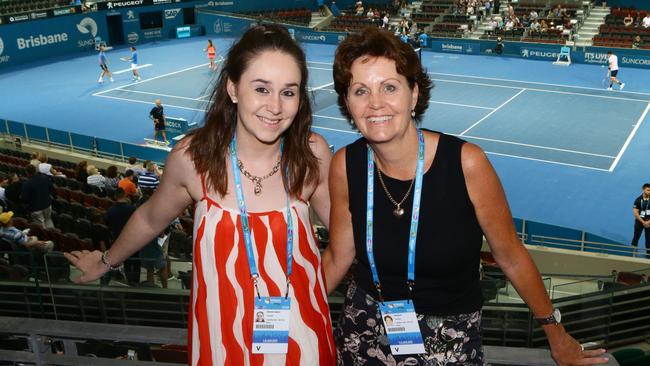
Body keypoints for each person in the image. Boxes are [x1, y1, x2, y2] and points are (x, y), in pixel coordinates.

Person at [323, 27, 609, 366]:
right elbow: (338, 257)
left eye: (389, 87)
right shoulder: (345, 165)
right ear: (347, 103)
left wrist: (556, 335)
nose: (375, 104)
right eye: (360, 91)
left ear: (413, 94)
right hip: (363, 328)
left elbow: (511, 256)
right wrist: (297, 315)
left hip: (451, 335)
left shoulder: (466, 163)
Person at [64, 24, 335, 365]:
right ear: (233, 88)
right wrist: (104, 262)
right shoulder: (194, 157)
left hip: (303, 335)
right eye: (262, 89)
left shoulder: (313, 154)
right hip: (222, 337)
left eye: (289, 92)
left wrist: (315, 293)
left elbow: (348, 236)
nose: (276, 106)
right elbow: (150, 218)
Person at [21, 164, 54, 229]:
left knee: (41, 226)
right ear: (35, 170)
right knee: (48, 221)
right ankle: (52, 235)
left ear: (27, 173)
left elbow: (24, 198)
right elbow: (51, 189)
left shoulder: (27, 184)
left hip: (36, 208)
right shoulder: (45, 178)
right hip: (47, 205)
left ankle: (45, 237)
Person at [632, 183, 650, 258]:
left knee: (649, 239)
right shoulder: (638, 200)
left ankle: (648, 253)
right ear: (643, 190)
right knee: (636, 237)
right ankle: (634, 251)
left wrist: (648, 222)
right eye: (648, 190)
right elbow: (636, 214)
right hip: (639, 222)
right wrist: (643, 222)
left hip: (649, 222)